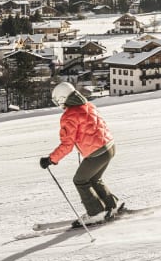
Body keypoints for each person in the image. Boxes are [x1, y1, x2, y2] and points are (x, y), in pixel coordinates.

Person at [39, 82, 122, 226]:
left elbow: (67, 144)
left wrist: (51, 159)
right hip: (109, 147)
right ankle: (111, 206)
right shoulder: (88, 106)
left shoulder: (69, 115)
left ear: (62, 98)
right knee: (94, 179)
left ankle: (96, 213)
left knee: (80, 180)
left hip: (97, 153)